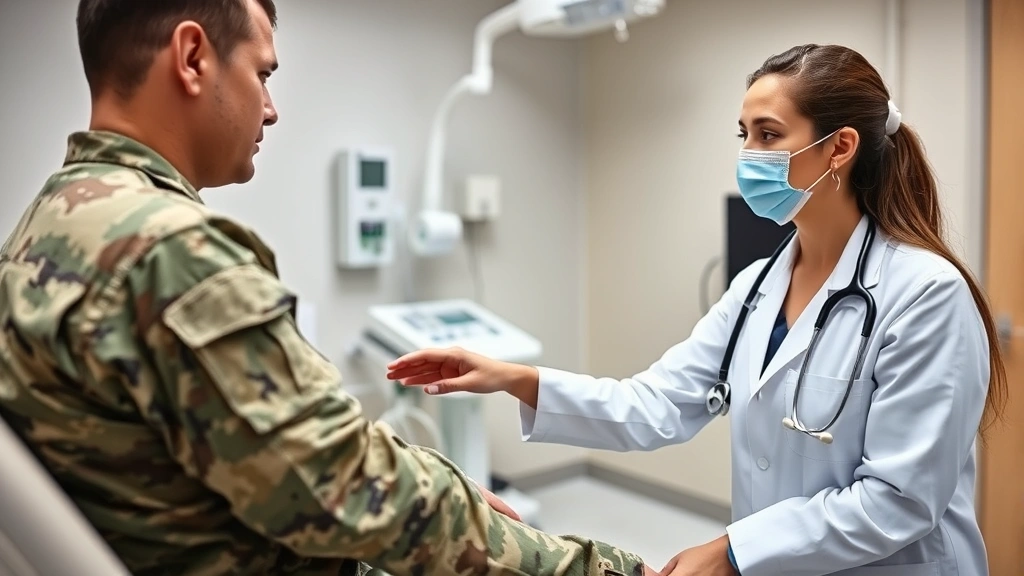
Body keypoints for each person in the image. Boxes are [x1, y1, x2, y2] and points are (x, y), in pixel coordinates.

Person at [0, 1, 658, 575]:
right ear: (193, 56)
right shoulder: (170, 250)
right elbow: (351, 489)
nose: (272, 108)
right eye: (262, 74)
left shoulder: (45, 225)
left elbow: (307, 453)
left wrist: (439, 482)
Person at [387, 43, 1007, 576]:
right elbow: (655, 403)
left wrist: (734, 552)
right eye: (744, 136)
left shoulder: (925, 294)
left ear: (838, 147)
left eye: (768, 135)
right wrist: (510, 377)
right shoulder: (756, 288)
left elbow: (898, 500)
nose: (749, 156)